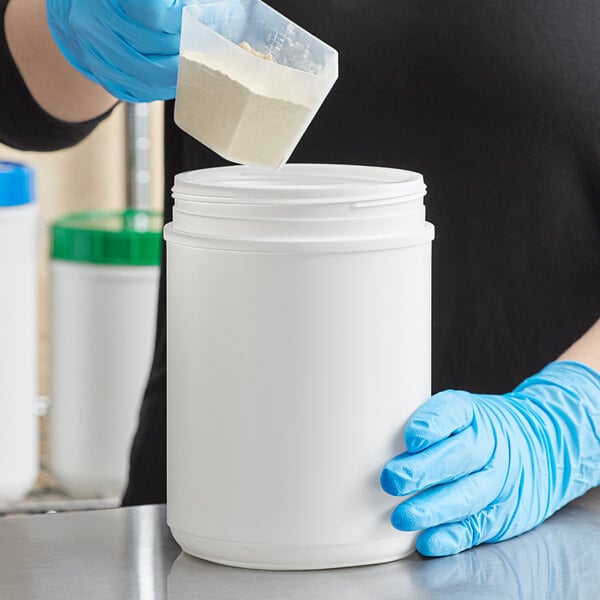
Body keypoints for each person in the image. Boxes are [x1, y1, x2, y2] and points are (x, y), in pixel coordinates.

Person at [1, 0, 599, 557]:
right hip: (211, 513)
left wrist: (566, 421)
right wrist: (78, 18)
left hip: (547, 529)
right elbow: (20, 95)